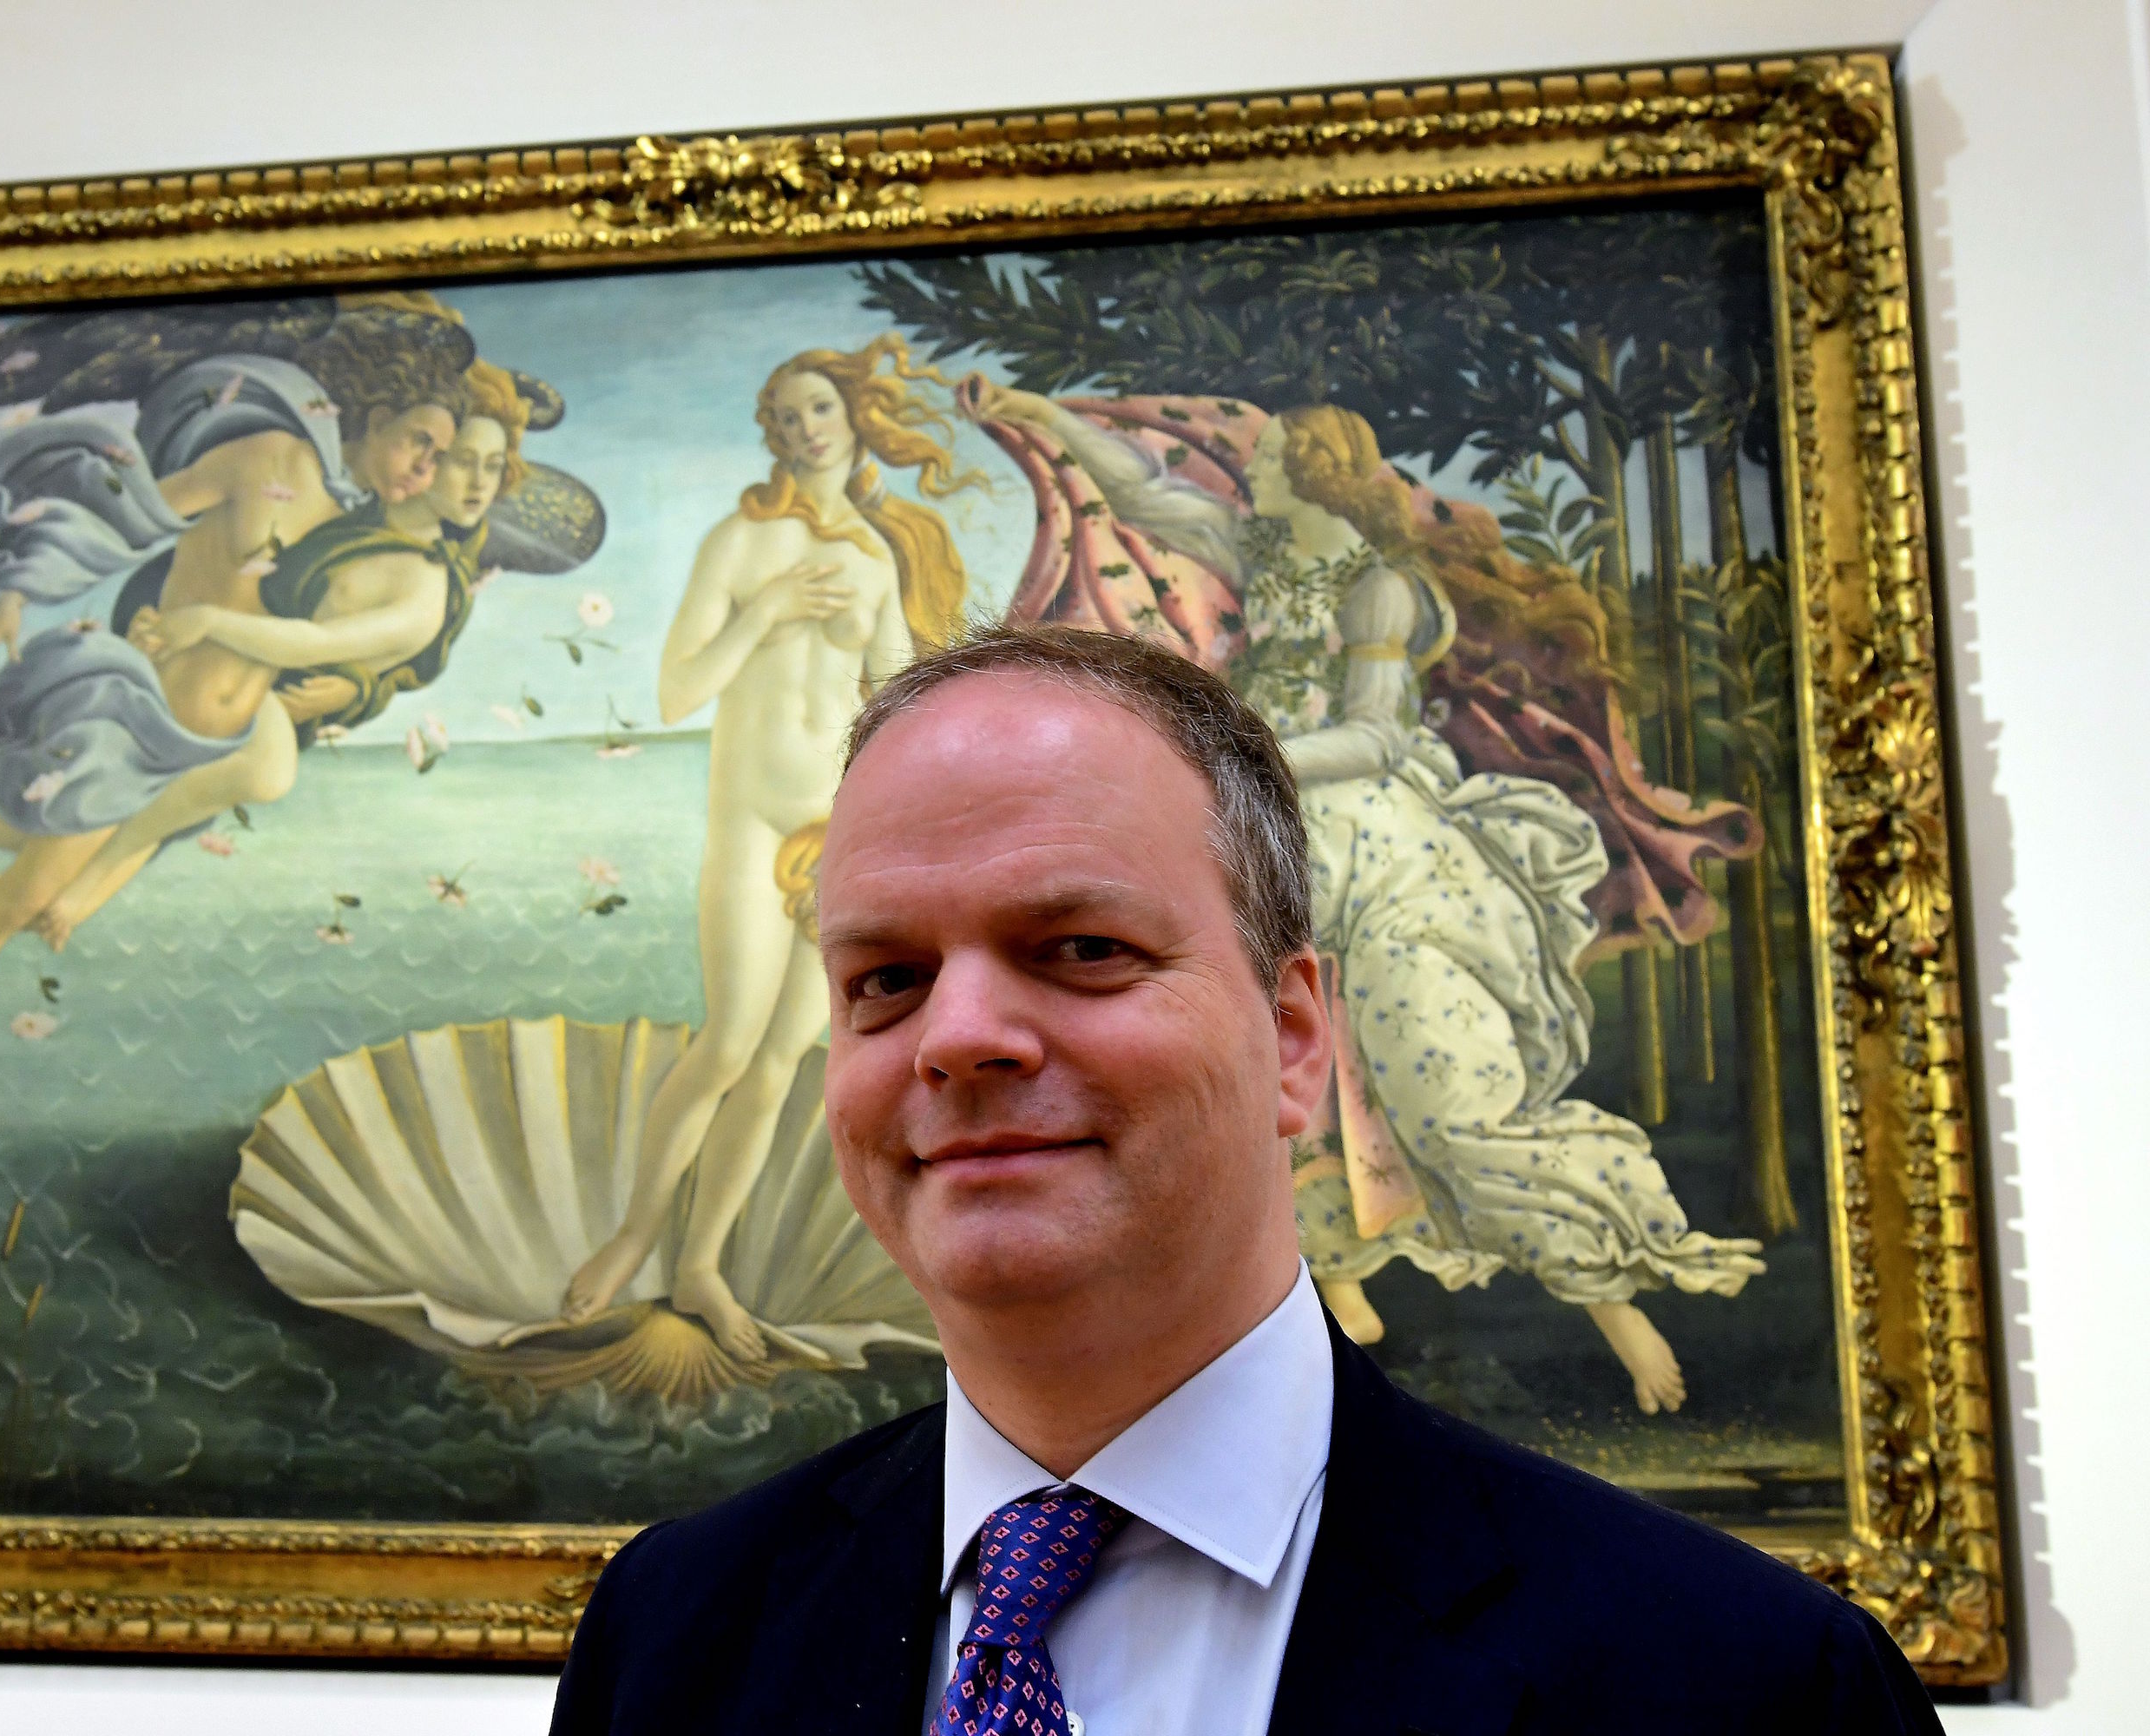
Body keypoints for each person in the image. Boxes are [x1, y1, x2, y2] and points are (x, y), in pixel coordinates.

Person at [549, 623, 1942, 1736]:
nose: (959, 1035)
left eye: (1081, 946)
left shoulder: (1745, 1689)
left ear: (1292, 1038)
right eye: (887, 979)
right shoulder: (670, 1636)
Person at [961, 380, 1762, 1415]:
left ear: (1319, 471)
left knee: (1430, 1077)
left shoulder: (1375, 583)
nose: (1258, 468)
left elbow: (1379, 735)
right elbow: (1145, 493)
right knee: (1268, 1065)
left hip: (1367, 827)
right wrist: (1039, 414)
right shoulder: (1268, 548)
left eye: (1279, 459)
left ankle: (1618, 1306)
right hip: (1274, 827)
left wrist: (1237, 759)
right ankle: (1333, 1289)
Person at [0, 341, 537, 1181]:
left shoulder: (363, 536)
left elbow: (344, 644)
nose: (432, 469)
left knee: (20, 881)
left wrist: (340, 696)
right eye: (424, 444)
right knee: (24, 893)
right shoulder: (272, 461)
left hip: (191, 753)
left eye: (447, 459)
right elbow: (121, 517)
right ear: (374, 419)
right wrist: (14, 592)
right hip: (131, 713)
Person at [556, 336, 974, 1358]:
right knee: (731, 1040)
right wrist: (772, 610)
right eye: (783, 416)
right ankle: (634, 1235)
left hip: (834, 835)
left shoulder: (875, 557)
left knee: (787, 1055)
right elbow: (676, 691)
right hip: (748, 824)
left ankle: (701, 1266)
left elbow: (888, 703)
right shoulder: (735, 547)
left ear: (852, 418)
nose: (801, 430)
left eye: (817, 410)